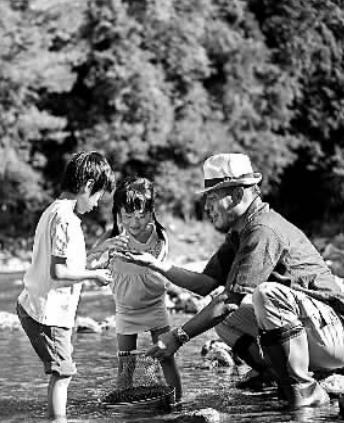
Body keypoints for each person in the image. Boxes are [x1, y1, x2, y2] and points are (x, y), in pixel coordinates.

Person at [124, 152, 344, 409]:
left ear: (238, 195)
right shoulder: (241, 232)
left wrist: (178, 337)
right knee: (225, 319)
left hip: (334, 335)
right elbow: (206, 283)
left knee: (265, 294)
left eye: (212, 198)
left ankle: (303, 388)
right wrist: (156, 264)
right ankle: (277, 375)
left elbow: (229, 300)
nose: (206, 207)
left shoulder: (263, 230)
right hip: (314, 336)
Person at [16, 151, 115, 421]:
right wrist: (93, 277)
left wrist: (95, 258)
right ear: (87, 186)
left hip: (41, 306)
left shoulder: (54, 211)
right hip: (46, 312)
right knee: (64, 372)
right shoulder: (66, 219)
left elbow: (67, 263)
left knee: (63, 370)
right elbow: (58, 271)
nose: (96, 205)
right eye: (97, 197)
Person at [88, 176, 182, 400]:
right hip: (125, 309)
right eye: (128, 216)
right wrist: (102, 253)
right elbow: (89, 263)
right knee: (126, 363)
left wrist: (140, 257)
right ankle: (124, 403)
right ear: (118, 215)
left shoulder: (158, 236)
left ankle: (176, 400)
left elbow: (156, 261)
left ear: (151, 212)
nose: (134, 223)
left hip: (154, 305)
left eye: (141, 216)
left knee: (165, 356)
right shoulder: (113, 238)